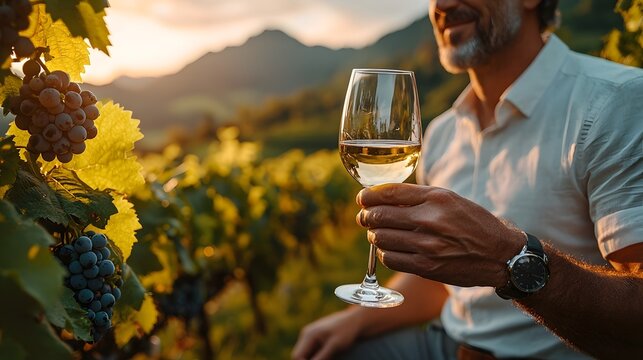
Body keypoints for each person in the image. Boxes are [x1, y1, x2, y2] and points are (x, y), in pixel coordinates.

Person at [292, 0, 643, 359]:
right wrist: (354, 320)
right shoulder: (442, 132)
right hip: (444, 346)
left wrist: (506, 260)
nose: (442, 5)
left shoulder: (615, 102)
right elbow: (442, 284)